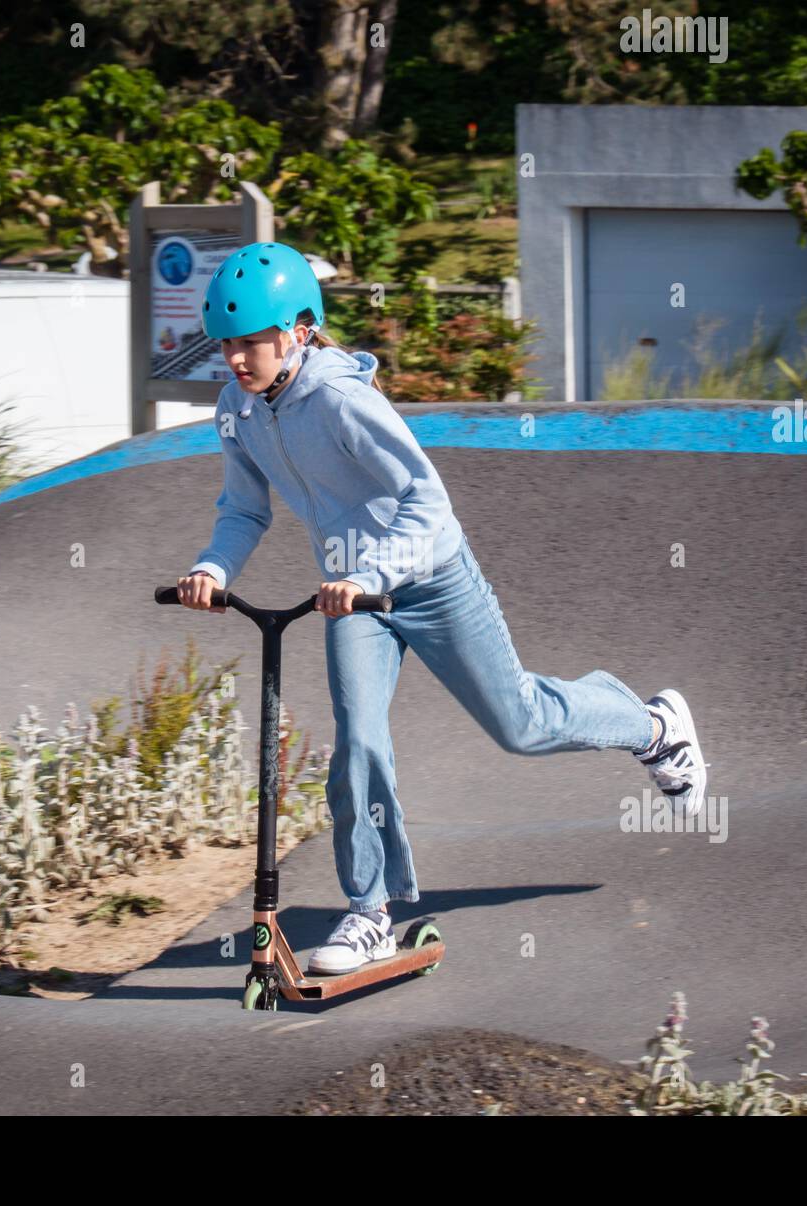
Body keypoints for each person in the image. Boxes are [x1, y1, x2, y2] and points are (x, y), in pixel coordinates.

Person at [176, 241, 707, 976]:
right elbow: (243, 509)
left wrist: (375, 571)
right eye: (227, 344)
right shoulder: (238, 409)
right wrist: (212, 566)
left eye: (252, 343)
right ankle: (369, 912)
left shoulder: (340, 400)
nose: (236, 361)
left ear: (299, 331)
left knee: (521, 724)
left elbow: (427, 501)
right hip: (351, 596)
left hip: (429, 576)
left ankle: (653, 728)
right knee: (358, 740)